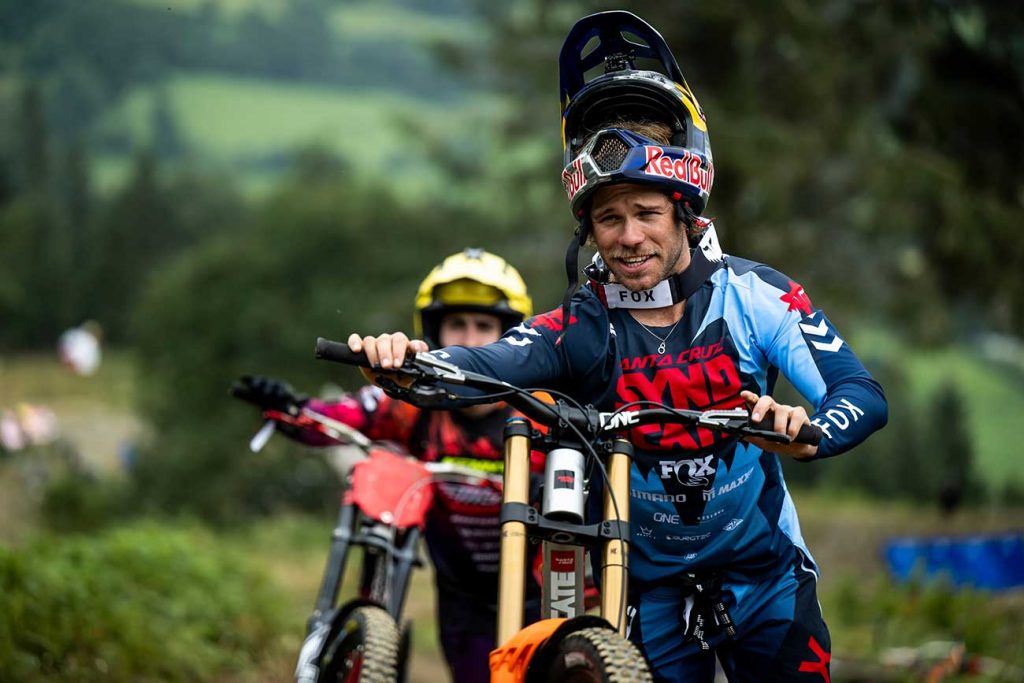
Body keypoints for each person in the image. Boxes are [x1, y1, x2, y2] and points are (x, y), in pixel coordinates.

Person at [347, 11, 888, 682]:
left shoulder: (759, 296)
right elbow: (482, 365)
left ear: (685, 211)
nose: (629, 236)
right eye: (609, 217)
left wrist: (807, 431)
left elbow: (861, 394)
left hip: (767, 576)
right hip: (647, 592)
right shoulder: (582, 325)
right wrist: (403, 364)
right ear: (588, 228)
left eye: (647, 213)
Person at [239, 248, 534, 683]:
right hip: (464, 604)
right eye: (457, 324)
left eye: (484, 326)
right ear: (434, 332)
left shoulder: (539, 408)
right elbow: (341, 418)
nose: (470, 339)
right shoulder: (414, 403)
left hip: (548, 594)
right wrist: (290, 408)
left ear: (509, 336)